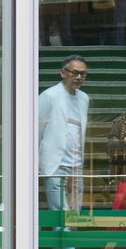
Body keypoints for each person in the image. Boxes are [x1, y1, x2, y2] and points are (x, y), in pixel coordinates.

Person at [38, 57, 91, 215]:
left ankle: (71, 241)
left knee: (75, 212)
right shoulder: (49, 96)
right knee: (60, 213)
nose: (79, 77)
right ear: (63, 73)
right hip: (56, 164)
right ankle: (62, 240)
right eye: (74, 73)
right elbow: (36, 130)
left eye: (83, 74)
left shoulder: (83, 98)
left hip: (76, 165)